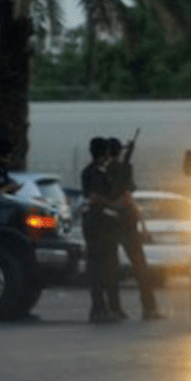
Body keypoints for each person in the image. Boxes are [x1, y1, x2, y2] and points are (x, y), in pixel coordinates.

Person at [107, 137, 164, 320]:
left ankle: (114, 308)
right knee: (140, 267)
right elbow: (128, 193)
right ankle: (149, 308)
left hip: (112, 222)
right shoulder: (124, 169)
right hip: (127, 222)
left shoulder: (104, 171)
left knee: (112, 268)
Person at [81, 137, 124, 323]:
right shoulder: (95, 173)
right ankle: (100, 308)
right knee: (101, 268)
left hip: (100, 224)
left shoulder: (93, 171)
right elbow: (95, 197)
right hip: (99, 224)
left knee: (106, 268)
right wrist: (115, 205)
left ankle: (107, 307)